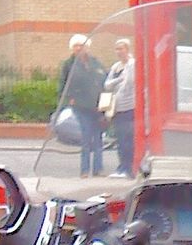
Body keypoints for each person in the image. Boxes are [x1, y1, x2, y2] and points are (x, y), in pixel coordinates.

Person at [57, 34, 106, 177]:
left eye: (81, 45)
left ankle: (98, 169)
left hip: (97, 107)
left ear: (87, 47)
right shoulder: (68, 64)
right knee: (86, 137)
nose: (79, 48)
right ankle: (84, 170)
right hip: (81, 106)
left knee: (98, 138)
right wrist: (69, 98)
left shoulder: (95, 63)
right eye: (76, 46)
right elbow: (63, 85)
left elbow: (104, 80)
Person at [103, 37, 136, 177]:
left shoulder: (132, 64)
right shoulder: (116, 66)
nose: (118, 52)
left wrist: (116, 83)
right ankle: (121, 167)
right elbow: (107, 84)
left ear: (127, 49)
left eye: (121, 48)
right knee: (120, 139)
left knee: (128, 138)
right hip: (116, 107)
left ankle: (128, 168)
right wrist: (118, 80)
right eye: (117, 49)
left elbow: (128, 83)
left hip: (129, 106)